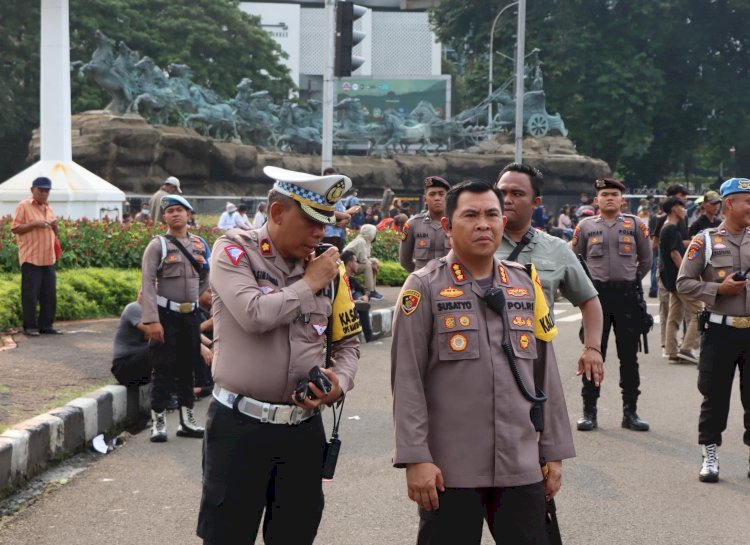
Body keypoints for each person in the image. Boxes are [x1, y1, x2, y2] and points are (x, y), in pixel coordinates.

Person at [391, 180, 575, 545]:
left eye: (492, 215)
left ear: (503, 223)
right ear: (447, 226)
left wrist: (553, 452)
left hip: (521, 464)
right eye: (470, 215)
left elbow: (545, 375)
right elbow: (407, 378)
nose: (483, 224)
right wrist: (415, 458)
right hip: (450, 470)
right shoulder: (423, 287)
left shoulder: (524, 284)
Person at [197, 165, 361, 544]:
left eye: (327, 222)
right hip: (239, 428)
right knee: (227, 536)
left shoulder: (328, 269)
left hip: (302, 431)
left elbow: (349, 342)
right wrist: (309, 284)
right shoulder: (234, 251)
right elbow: (254, 314)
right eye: (310, 222)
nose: (321, 232)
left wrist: (340, 382)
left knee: (295, 535)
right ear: (276, 213)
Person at [495, 164, 604, 399]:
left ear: (536, 202)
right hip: (483, 356)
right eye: (502, 192)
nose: (507, 200)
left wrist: (592, 347)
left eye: (517, 193)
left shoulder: (556, 249)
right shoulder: (478, 241)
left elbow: (589, 300)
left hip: (534, 357)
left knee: (537, 428)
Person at [677, 177, 750, 483]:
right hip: (720, 332)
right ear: (729, 204)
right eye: (747, 201)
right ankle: (710, 454)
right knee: (715, 397)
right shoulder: (704, 241)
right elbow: (684, 283)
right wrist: (719, 288)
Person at [571, 177, 652, 432]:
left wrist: (632, 281)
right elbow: (574, 261)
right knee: (594, 353)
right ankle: (589, 412)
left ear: (622, 200)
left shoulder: (636, 225)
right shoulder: (584, 227)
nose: (609, 198)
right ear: (597, 200)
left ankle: (631, 413)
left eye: (614, 194)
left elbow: (647, 260)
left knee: (629, 357)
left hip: (627, 296)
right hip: (596, 297)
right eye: (604, 194)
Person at [141, 194, 208, 442]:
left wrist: (194, 297)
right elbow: (147, 282)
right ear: (165, 217)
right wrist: (151, 319)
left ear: (189, 214)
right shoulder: (157, 245)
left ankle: (187, 420)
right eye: (170, 211)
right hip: (164, 315)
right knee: (162, 367)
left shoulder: (200, 245)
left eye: (180, 210)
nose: (175, 214)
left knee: (188, 366)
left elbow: (206, 275)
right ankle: (158, 421)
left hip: (190, 315)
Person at [11, 176, 61, 336]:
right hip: (31, 258)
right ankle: (30, 327)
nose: (44, 194)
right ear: (32, 190)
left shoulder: (49, 208)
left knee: (49, 295)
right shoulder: (24, 205)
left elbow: (55, 233)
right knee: (30, 295)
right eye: (41, 190)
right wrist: (34, 224)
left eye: (47, 191)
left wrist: (55, 226)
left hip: (48, 258)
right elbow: (15, 228)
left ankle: (47, 325)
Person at [659, 197, 701, 364]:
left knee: (674, 315)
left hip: (671, 279)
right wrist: (687, 273)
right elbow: (674, 253)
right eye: (682, 207)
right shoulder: (671, 229)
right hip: (680, 278)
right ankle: (686, 348)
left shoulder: (666, 228)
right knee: (700, 312)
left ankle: (672, 350)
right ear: (674, 209)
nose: (685, 210)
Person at [399, 176, 451, 272]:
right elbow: (404, 261)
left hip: (450, 283)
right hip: (422, 284)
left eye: (441, 194)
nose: (437, 198)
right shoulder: (412, 224)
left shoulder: (457, 224)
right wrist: (420, 275)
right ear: (425, 199)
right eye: (432, 194)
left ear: (448, 197)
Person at [111, 291, 151, 387]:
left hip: (140, 371)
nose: (143, 295)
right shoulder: (134, 307)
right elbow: (153, 332)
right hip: (124, 368)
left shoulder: (153, 313)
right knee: (161, 345)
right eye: (141, 292)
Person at [342, 224, 383, 300]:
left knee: (373, 263)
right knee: (368, 265)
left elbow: (366, 258)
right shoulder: (361, 241)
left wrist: (375, 262)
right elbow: (363, 260)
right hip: (347, 266)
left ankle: (373, 290)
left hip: (355, 263)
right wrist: (372, 263)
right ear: (370, 234)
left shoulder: (366, 242)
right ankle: (369, 291)